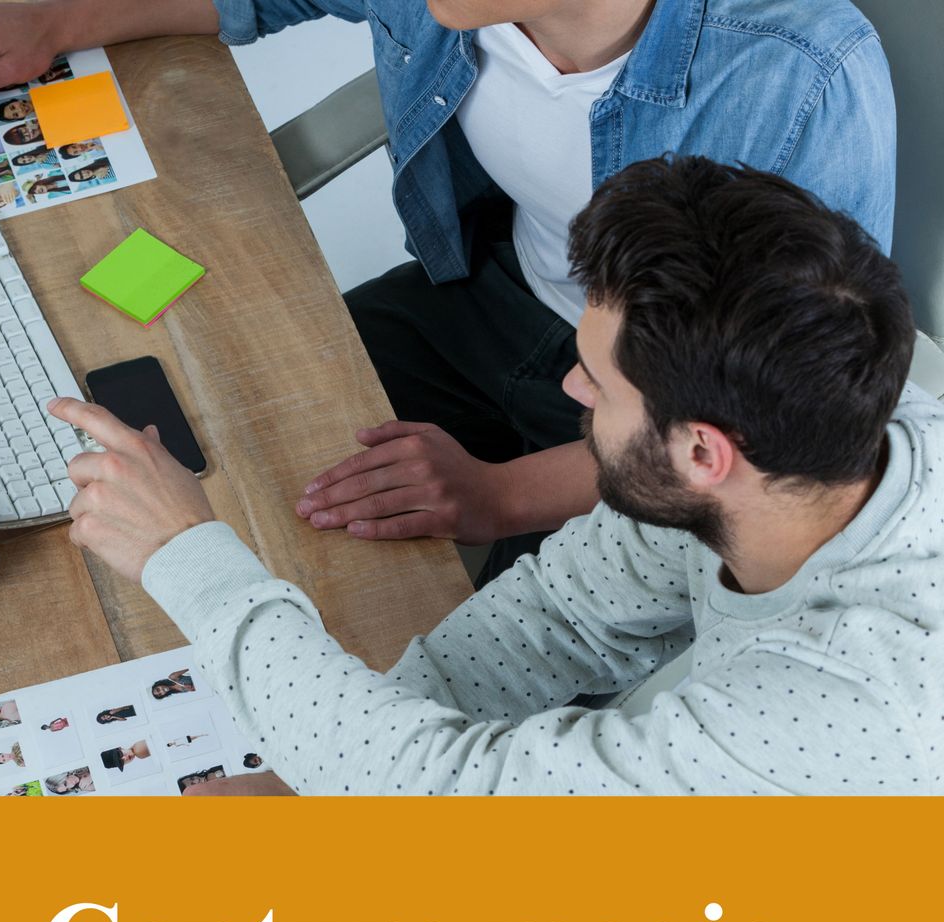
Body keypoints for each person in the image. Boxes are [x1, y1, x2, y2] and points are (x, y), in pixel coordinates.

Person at [0, 1, 897, 579]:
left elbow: (765, 427)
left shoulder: (799, 77)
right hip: (489, 298)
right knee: (209, 434)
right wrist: (60, 16)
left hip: (663, 433)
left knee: (413, 641)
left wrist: (499, 495)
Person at [47, 156, 941, 796]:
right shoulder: (818, 434)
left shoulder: (845, 709)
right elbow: (562, 613)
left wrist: (191, 558)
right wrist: (331, 772)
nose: (569, 386)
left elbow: (461, 801)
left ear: (704, 452)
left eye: (597, 377)